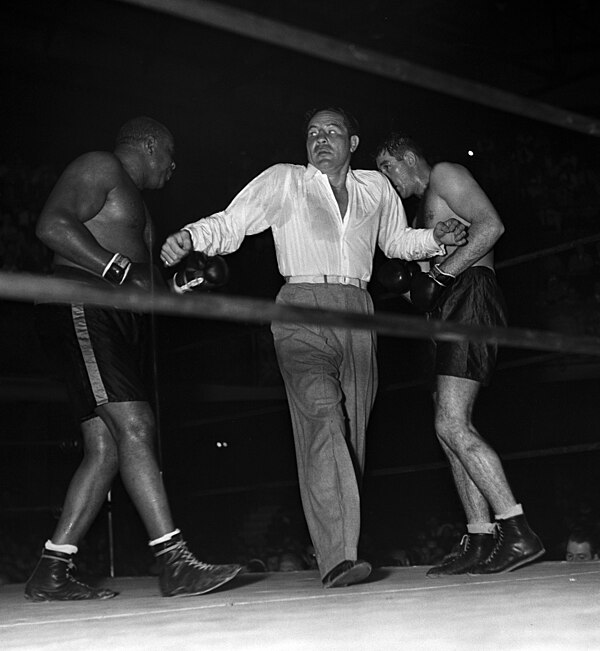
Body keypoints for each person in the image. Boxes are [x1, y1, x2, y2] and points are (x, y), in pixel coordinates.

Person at [160, 107, 467, 588]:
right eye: (312, 133)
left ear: (354, 142)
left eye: (332, 132)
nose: (320, 139)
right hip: (300, 305)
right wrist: (190, 237)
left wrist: (435, 238)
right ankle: (339, 557)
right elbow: (233, 221)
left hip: (359, 309)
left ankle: (341, 540)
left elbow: (397, 240)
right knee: (322, 415)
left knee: (353, 436)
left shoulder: (376, 188)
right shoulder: (286, 181)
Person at [26, 116, 241, 601]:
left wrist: (179, 286)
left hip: (112, 315)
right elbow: (52, 225)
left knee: (106, 447)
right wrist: (120, 271)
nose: (173, 166)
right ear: (149, 145)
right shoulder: (100, 166)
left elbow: (135, 281)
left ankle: (51, 571)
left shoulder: (136, 204)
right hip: (84, 305)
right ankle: (175, 562)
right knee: (137, 426)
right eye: (169, 154)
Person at [375, 133, 545, 576]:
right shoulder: (420, 210)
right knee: (444, 423)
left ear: (408, 156)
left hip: (470, 297)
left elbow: (491, 227)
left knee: (451, 421)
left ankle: (518, 529)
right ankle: (480, 534)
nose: (386, 177)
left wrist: (443, 275)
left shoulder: (447, 174)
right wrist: (424, 280)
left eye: (388, 166)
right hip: (446, 309)